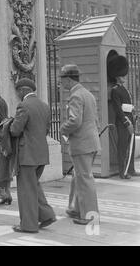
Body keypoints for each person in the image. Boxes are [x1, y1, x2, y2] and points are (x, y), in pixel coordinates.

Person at [9, 78, 56, 233]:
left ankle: (28, 225)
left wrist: (9, 124)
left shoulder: (24, 106)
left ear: (23, 90)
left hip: (27, 155)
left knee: (26, 190)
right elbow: (46, 130)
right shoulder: (44, 106)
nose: (17, 94)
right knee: (33, 185)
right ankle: (47, 215)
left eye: (18, 91)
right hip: (41, 154)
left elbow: (15, 130)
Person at [60, 64, 100, 225]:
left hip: (82, 144)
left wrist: (63, 129)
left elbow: (75, 121)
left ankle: (90, 216)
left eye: (62, 79)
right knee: (78, 177)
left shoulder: (75, 95)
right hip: (91, 142)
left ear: (68, 79)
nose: (61, 83)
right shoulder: (87, 94)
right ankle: (76, 209)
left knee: (84, 179)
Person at [110, 76, 139, 178]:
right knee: (122, 147)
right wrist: (126, 123)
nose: (125, 77)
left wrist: (133, 113)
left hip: (130, 119)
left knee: (131, 145)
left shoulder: (125, 89)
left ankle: (131, 169)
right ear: (117, 77)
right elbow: (118, 109)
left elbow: (127, 105)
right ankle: (123, 172)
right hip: (123, 123)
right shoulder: (115, 90)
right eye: (122, 76)